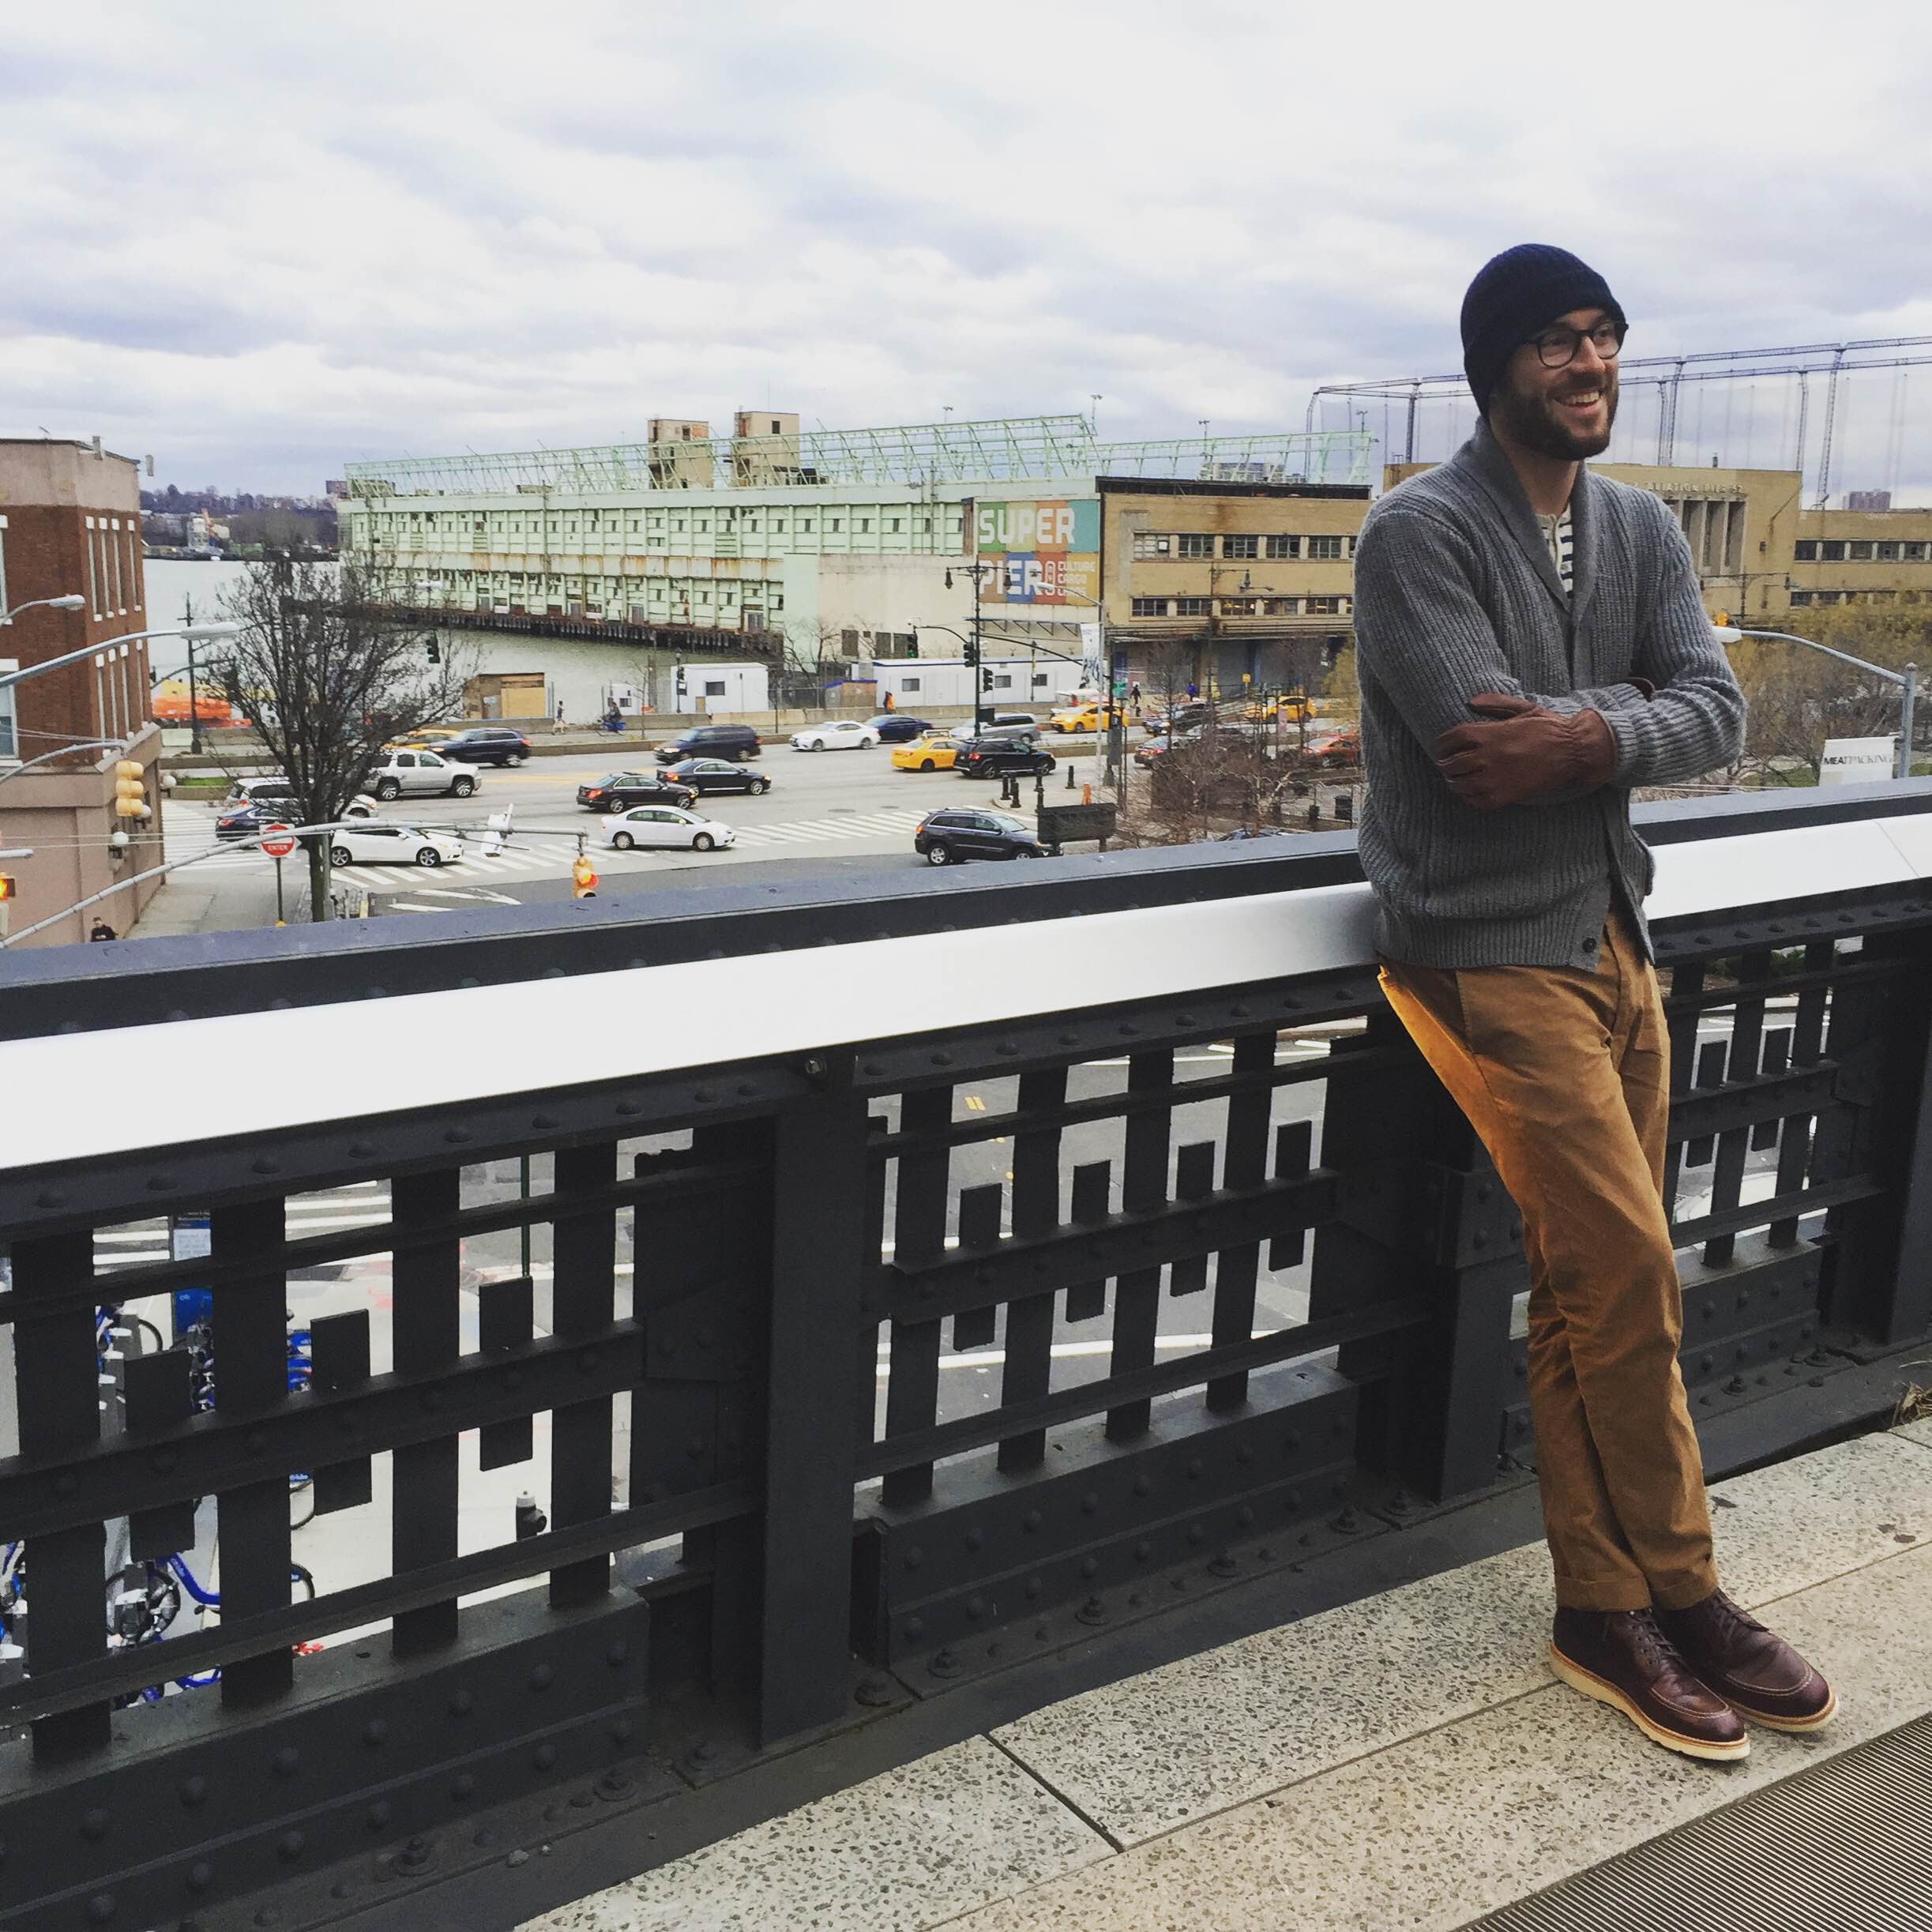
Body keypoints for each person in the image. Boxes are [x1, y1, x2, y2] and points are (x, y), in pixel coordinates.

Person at [1351, 244, 1832, 1765]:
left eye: (1607, 339)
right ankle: (1681, 1590)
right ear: (1498, 363)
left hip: (1611, 928)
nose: (1591, 364)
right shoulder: (1414, 535)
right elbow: (1470, 749)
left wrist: (1580, 738)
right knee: (1624, 1266)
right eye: (1559, 340)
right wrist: (1615, 733)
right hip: (1482, 947)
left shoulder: (1634, 529)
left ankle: (1603, 1605)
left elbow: (1721, 711)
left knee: (1590, 1277)